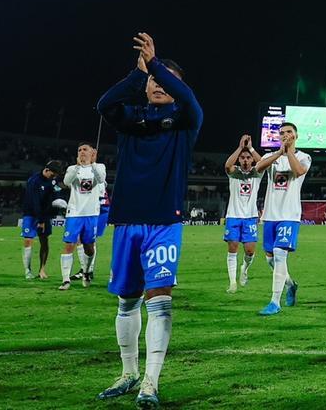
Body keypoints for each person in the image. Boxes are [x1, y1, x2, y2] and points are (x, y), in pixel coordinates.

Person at [94, 33, 202, 409]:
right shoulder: (131, 119)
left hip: (163, 221)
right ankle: (128, 373)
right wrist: (139, 74)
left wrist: (156, 65)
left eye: (164, 80)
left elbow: (187, 98)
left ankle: (151, 382)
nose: (157, 85)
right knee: (127, 300)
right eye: (153, 81)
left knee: (159, 300)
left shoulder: (186, 120)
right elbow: (104, 103)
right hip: (126, 221)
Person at [254, 122, 311, 315]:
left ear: (296, 136)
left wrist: (288, 153)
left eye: (289, 132)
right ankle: (291, 284)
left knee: (279, 254)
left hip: (289, 215)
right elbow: (258, 168)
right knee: (270, 259)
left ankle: (274, 302)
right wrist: (279, 153)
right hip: (270, 215)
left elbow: (299, 171)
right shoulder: (271, 156)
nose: (285, 135)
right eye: (282, 133)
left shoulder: (304, 157)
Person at [59, 142, 106, 290]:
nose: (82, 152)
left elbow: (100, 179)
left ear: (92, 152)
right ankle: (65, 280)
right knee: (69, 244)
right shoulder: (72, 169)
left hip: (91, 213)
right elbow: (66, 182)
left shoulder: (99, 167)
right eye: (79, 150)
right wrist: (79, 167)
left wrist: (91, 164)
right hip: (74, 213)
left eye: (85, 149)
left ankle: (86, 271)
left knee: (89, 247)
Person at [223, 135, 263, 294]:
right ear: (239, 160)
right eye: (243, 158)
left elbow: (262, 163)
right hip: (233, 216)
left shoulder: (257, 173)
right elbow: (227, 165)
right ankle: (232, 282)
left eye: (248, 158)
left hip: (250, 217)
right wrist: (240, 147)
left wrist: (251, 149)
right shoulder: (234, 173)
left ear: (252, 159)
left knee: (250, 250)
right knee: (232, 247)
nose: (246, 160)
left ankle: (244, 268)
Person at [21, 160, 65, 280]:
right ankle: (28, 271)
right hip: (31, 214)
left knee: (44, 241)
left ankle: (42, 269)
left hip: (45, 215)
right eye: (53, 174)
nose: (54, 177)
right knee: (28, 240)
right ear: (47, 170)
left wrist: (59, 206)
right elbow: (35, 202)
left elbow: (56, 194)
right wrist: (40, 221)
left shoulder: (53, 180)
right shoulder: (34, 181)